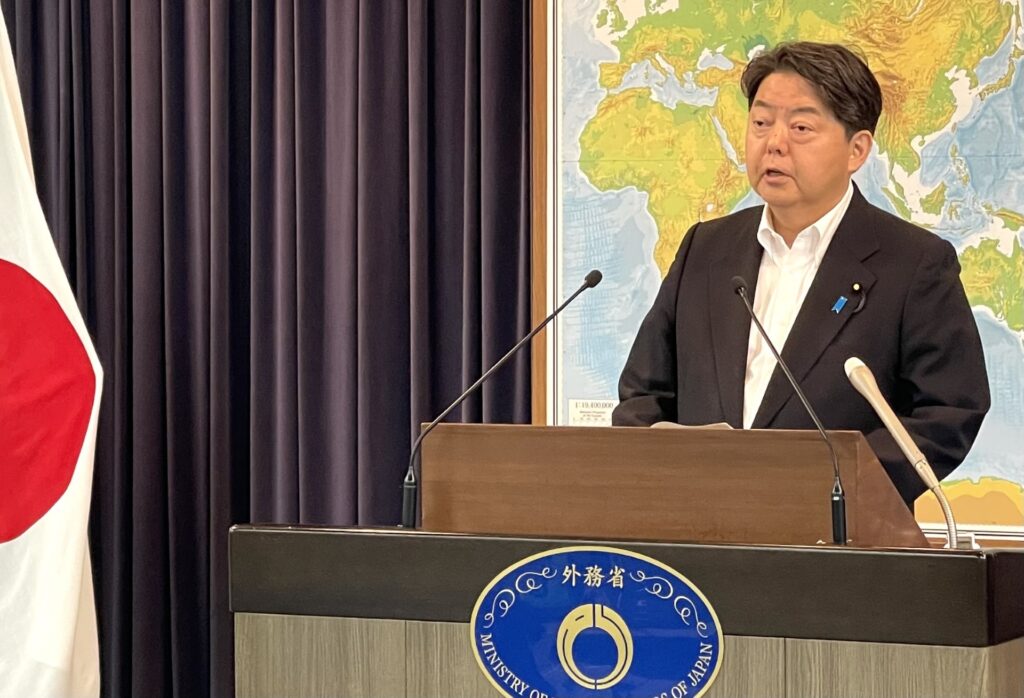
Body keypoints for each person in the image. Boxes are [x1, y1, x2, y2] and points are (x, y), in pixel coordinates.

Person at [611, 42, 990, 507]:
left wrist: (833, 484)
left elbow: (949, 411)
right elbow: (642, 393)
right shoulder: (706, 249)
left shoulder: (913, 262)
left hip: (838, 544)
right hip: (700, 528)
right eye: (761, 123)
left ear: (857, 149)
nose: (774, 142)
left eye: (801, 127)